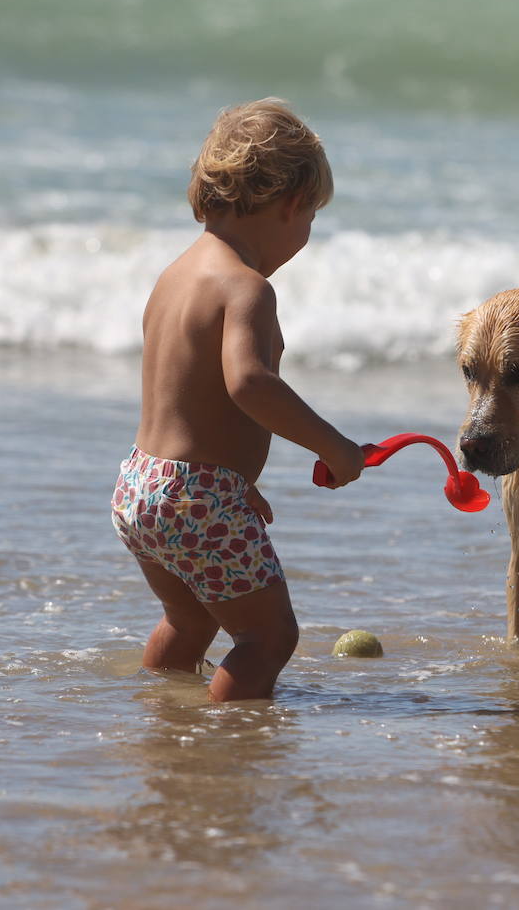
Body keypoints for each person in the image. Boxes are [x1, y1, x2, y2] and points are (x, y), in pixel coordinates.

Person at [111, 98, 365, 702]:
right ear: (290, 204)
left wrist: (226, 478)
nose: (307, 233)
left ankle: (163, 719)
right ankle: (222, 750)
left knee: (190, 620)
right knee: (268, 637)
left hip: (141, 485)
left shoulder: (175, 276)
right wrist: (335, 446)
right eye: (312, 218)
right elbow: (247, 382)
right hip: (196, 497)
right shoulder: (247, 289)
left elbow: (185, 395)